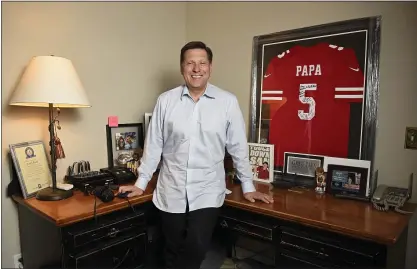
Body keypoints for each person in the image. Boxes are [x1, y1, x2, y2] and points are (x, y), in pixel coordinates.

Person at [118, 41, 274, 269]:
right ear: (182, 68)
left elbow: (238, 147)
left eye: (202, 63)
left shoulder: (227, 102)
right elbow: (154, 146)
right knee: (171, 249)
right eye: (190, 63)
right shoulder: (166, 101)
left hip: (207, 191)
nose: (196, 68)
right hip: (171, 190)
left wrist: (248, 186)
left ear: (210, 67)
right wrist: (141, 183)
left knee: (196, 247)